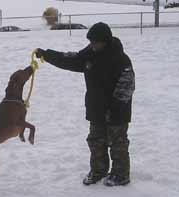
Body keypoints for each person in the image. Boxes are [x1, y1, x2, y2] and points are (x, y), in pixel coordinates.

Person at [35, 22, 135, 186]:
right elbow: (70, 59)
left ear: (105, 41)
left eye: (96, 42)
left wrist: (114, 108)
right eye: (91, 42)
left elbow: (127, 85)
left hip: (117, 110)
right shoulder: (89, 55)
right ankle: (98, 170)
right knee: (96, 140)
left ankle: (121, 174)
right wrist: (46, 55)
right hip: (96, 108)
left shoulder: (120, 59)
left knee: (118, 143)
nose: (92, 45)